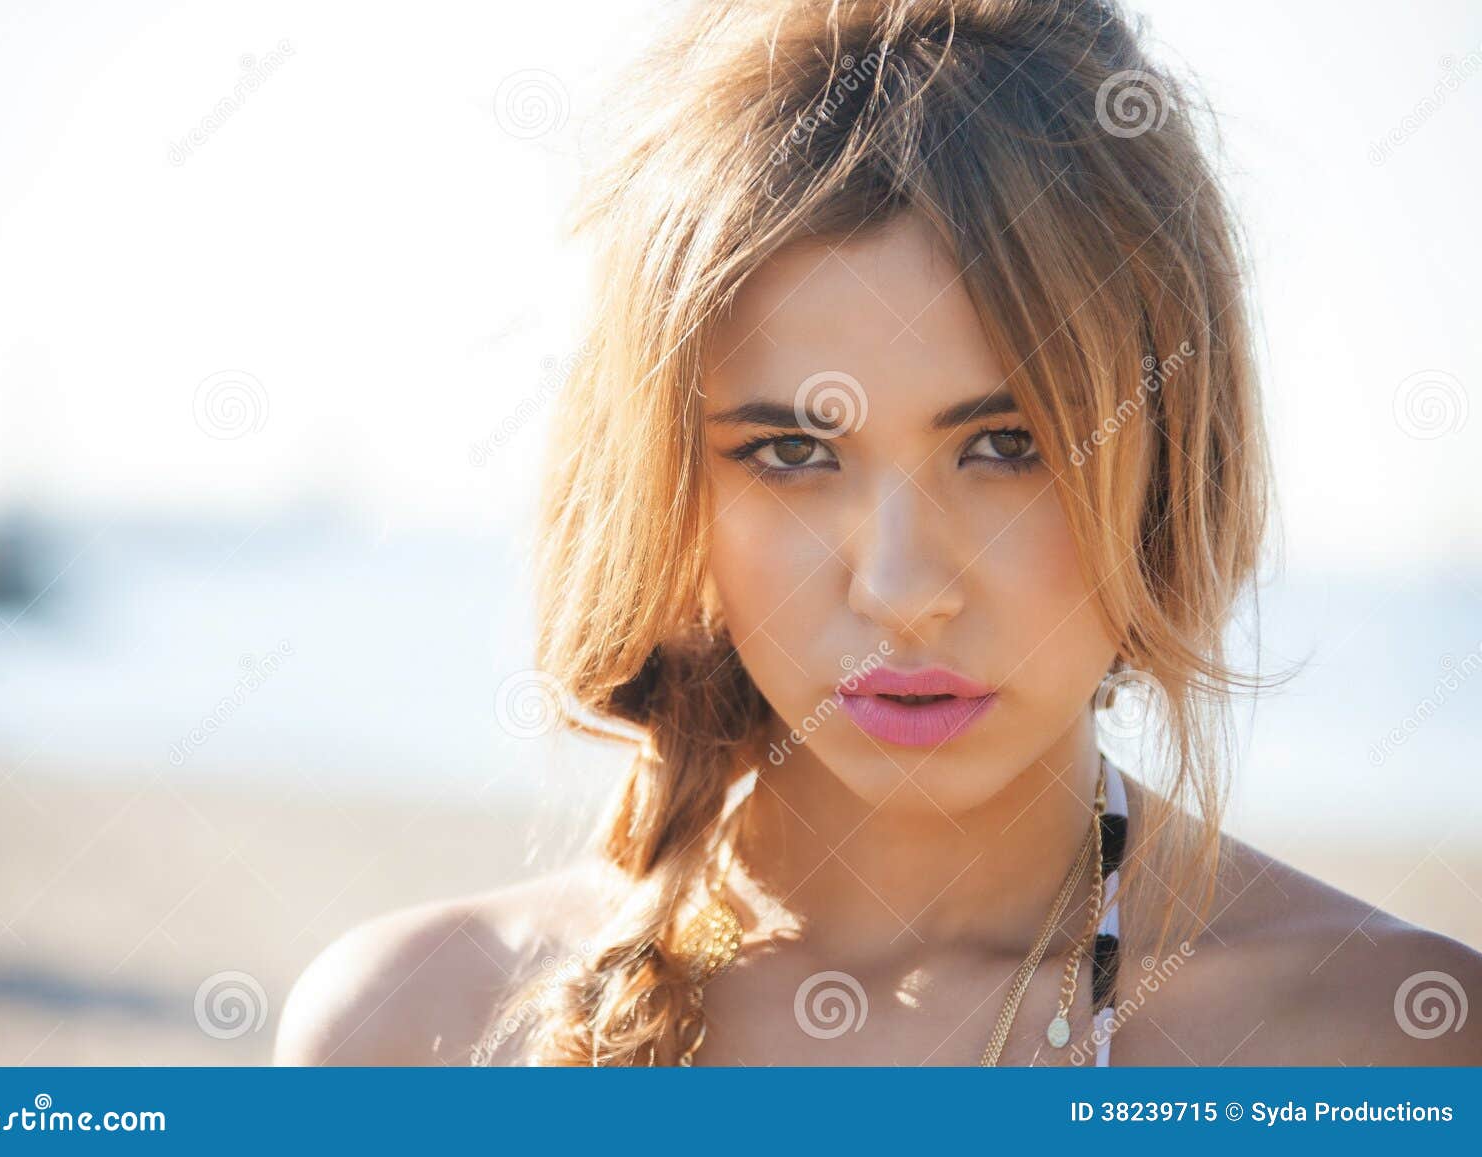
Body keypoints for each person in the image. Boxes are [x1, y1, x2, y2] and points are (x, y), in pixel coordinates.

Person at [273, 0, 1482, 1066]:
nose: (903, 588)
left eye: (1009, 446)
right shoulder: (409, 1038)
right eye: (792, 453)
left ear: (1167, 462)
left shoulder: (1388, 1045)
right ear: (667, 488)